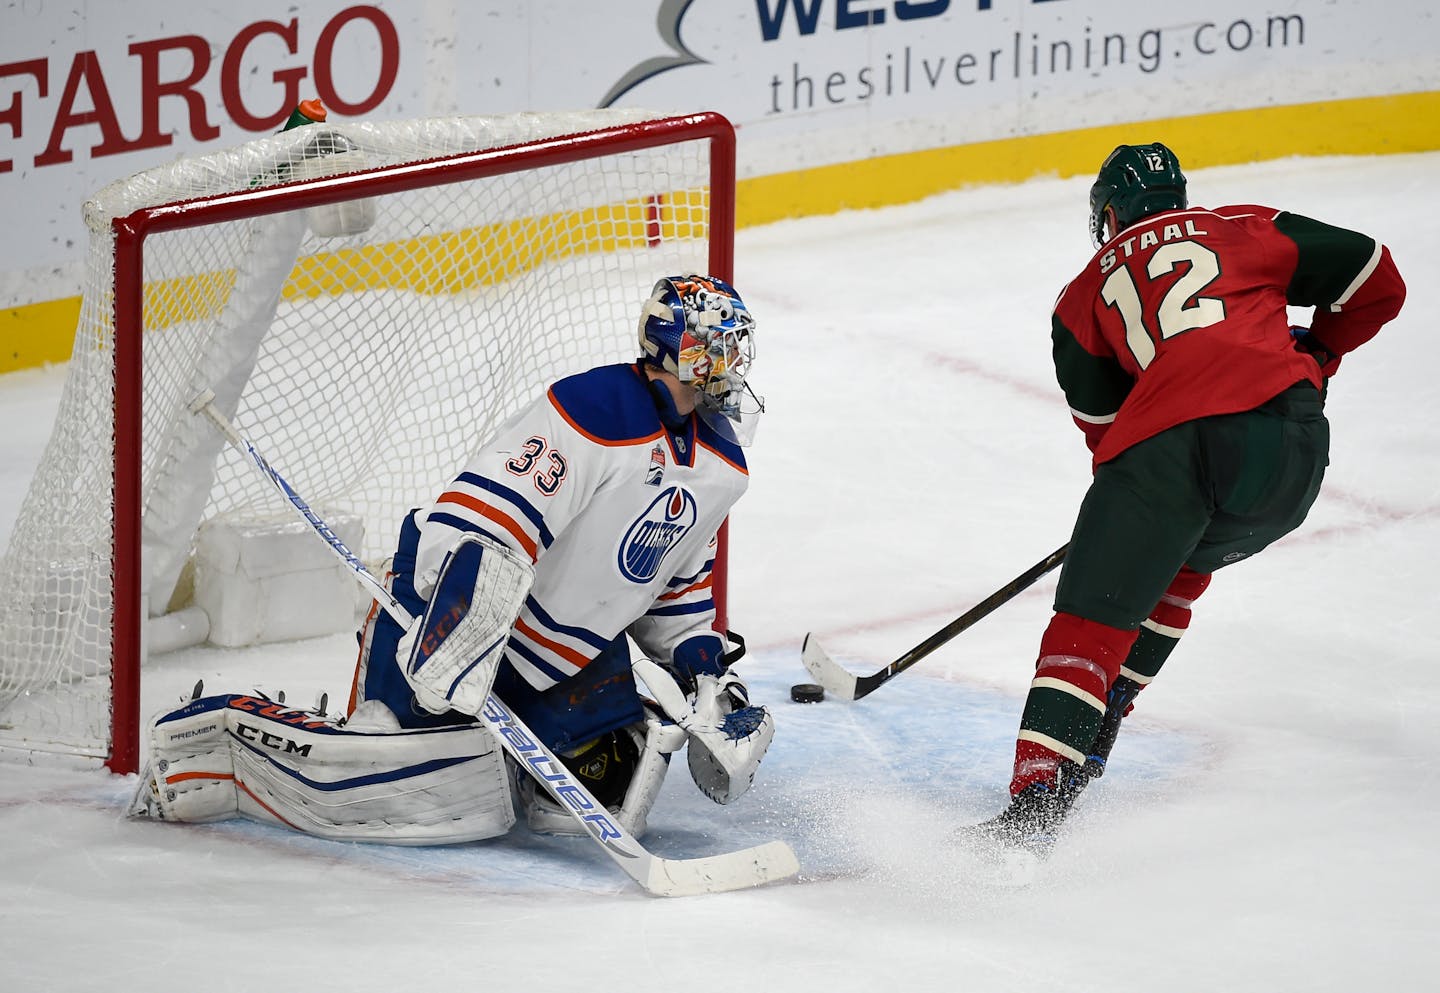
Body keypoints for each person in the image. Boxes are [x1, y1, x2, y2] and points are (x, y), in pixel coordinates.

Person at [131, 275, 774, 846]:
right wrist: (464, 621)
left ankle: (514, 743)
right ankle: (220, 736)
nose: (733, 361)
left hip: (558, 658)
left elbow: (675, 584)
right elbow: (482, 522)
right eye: (718, 345)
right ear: (674, 348)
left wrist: (708, 680)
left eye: (735, 345)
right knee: (392, 777)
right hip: (443, 617)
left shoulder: (722, 459)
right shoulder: (599, 409)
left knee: (598, 783)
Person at [976, 143, 1406, 856]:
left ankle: (1031, 817)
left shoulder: (1083, 294)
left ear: (1108, 215)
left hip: (1171, 455)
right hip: (1293, 457)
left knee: (1093, 619)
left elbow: (1107, 433)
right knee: (1179, 569)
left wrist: (1121, 540)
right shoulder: (1245, 225)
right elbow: (1376, 277)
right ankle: (1100, 726)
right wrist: (1321, 354)